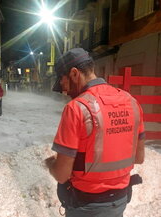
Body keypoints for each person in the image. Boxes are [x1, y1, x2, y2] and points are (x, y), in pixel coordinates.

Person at [45, 48, 145, 217]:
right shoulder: (131, 102)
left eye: (63, 81)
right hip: (120, 201)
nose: (63, 89)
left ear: (74, 74)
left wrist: (50, 163)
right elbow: (138, 157)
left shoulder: (76, 108)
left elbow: (62, 175)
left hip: (85, 206)